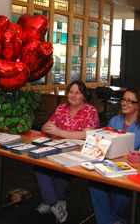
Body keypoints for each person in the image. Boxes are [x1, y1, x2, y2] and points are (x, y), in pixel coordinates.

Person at [89, 86, 140, 224]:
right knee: (94, 181)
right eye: (123, 100)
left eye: (130, 101)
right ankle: (111, 221)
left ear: (139, 105)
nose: (124, 103)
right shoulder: (115, 120)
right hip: (110, 166)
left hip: (133, 172)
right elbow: (104, 143)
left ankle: (111, 219)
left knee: (121, 189)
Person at [35, 81, 99, 223]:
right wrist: (48, 128)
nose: (73, 95)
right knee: (38, 163)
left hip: (78, 152)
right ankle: (54, 203)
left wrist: (59, 132)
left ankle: (50, 202)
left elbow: (86, 134)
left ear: (84, 95)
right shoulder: (61, 108)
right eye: (71, 92)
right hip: (57, 147)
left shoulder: (90, 111)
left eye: (78, 92)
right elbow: (46, 125)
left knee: (61, 170)